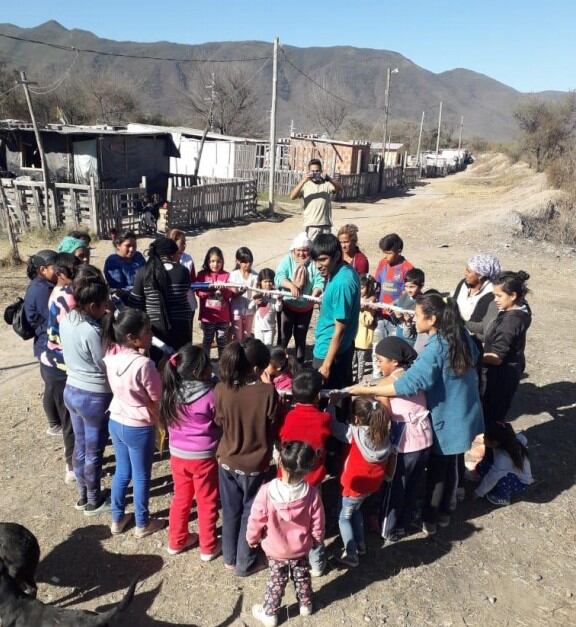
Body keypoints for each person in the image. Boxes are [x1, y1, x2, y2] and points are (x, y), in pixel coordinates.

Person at [349, 294, 484, 536]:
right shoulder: (459, 334)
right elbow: (475, 356)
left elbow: (406, 385)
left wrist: (364, 389)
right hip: (464, 409)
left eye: (418, 315)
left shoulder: (436, 348)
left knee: (437, 471)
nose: (414, 318)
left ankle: (431, 517)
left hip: (447, 417)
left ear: (432, 319)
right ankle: (446, 509)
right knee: (450, 464)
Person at [215, 340, 279, 577]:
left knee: (230, 510)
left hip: (226, 460)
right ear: (256, 369)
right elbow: (273, 425)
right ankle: (245, 562)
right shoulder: (268, 392)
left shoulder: (221, 388)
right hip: (254, 464)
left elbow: (219, 421)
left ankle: (229, 557)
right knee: (250, 513)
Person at [102, 309, 165, 538]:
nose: (150, 335)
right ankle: (142, 522)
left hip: (116, 418)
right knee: (141, 475)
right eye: (147, 331)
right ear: (131, 337)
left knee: (122, 470)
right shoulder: (143, 364)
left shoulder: (110, 355)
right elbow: (156, 396)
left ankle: (117, 519)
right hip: (138, 424)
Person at [248, 441, 325, 626]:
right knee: (302, 576)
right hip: (301, 548)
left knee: (277, 580)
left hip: (276, 550)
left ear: (280, 463)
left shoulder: (267, 491)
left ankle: (270, 613)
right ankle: (305, 605)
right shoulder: (312, 494)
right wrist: (316, 541)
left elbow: (256, 519)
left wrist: (252, 538)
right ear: (307, 471)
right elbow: (318, 522)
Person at [60, 267, 112, 516]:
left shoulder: (68, 319)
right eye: (103, 306)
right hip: (93, 396)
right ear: (92, 305)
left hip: (71, 389)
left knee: (80, 446)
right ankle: (94, 499)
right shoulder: (91, 331)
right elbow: (103, 364)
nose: (105, 309)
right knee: (94, 451)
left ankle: (82, 493)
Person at [161, 344, 220, 560]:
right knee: (207, 500)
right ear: (198, 372)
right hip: (204, 457)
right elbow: (219, 421)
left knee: (181, 498)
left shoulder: (171, 391)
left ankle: (176, 541)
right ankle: (208, 546)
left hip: (177, 455)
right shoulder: (210, 396)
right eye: (208, 366)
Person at [372, 338, 432, 542]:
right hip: (425, 438)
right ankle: (404, 524)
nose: (377, 364)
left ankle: (387, 528)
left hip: (406, 442)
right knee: (413, 484)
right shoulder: (414, 376)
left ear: (395, 361)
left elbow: (385, 416)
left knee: (395, 486)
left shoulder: (385, 385)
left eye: (380, 360)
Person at [278, 369, 331, 577]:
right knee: (314, 521)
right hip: (313, 478)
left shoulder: (289, 416)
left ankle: (289, 559)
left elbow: (281, 435)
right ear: (318, 396)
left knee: (289, 520)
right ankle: (316, 562)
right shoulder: (323, 418)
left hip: (289, 476)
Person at [330, 397, 391, 567]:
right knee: (356, 511)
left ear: (356, 418)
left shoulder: (354, 433)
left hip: (355, 484)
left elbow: (333, 426)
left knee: (343, 517)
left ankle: (351, 554)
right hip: (373, 483)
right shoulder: (383, 434)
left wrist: (331, 406)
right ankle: (360, 545)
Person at [41, 253, 81, 482]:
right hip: (60, 365)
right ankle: (71, 465)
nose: (76, 275)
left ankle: (75, 459)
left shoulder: (60, 293)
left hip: (56, 361)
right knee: (69, 420)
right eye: (73, 272)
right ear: (60, 274)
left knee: (71, 418)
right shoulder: (66, 298)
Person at [310, 234, 360, 389]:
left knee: (325, 401)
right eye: (316, 260)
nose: (318, 265)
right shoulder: (345, 271)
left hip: (329, 352)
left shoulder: (341, 284)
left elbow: (340, 330)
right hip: (341, 349)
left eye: (323, 259)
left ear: (337, 255)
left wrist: (326, 365)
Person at [482, 271, 532, 424]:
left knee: (491, 419)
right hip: (512, 367)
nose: (495, 300)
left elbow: (497, 358)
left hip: (500, 375)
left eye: (499, 296)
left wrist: (472, 356)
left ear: (513, 295)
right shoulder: (522, 307)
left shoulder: (510, 322)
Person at [129, 237, 193, 352]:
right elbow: (189, 300)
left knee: (157, 366)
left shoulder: (144, 272)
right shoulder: (183, 271)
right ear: (172, 254)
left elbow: (135, 304)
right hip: (181, 327)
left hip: (154, 329)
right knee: (181, 364)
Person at [23, 250, 60, 435]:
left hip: (47, 340)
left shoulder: (44, 284)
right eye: (56, 268)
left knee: (52, 383)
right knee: (52, 384)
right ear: (43, 269)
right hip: (45, 343)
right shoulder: (40, 290)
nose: (60, 271)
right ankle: (54, 423)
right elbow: (51, 316)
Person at [275, 233, 324, 363]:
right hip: (288, 305)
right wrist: (291, 286)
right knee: (284, 336)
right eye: (299, 250)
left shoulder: (314, 264)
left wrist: (315, 293)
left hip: (305, 308)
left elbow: (320, 281)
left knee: (301, 337)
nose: (301, 254)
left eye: (305, 250)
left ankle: (299, 363)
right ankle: (279, 362)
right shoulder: (287, 260)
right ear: (294, 250)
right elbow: (279, 277)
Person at [472, 422, 533, 506]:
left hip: (520, 482)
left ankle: (503, 497)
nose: (483, 437)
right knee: (482, 466)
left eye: (485, 437)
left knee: (500, 478)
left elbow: (492, 478)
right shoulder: (513, 441)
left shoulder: (503, 459)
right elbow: (523, 438)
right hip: (509, 471)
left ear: (495, 442)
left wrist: (478, 493)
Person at [372, 233, 414, 340]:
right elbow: (377, 284)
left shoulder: (407, 268)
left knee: (393, 347)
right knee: (378, 346)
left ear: (399, 251)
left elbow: (409, 293)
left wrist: (395, 304)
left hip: (397, 317)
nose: (385, 256)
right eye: (384, 253)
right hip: (381, 315)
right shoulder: (382, 263)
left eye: (389, 253)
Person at [290, 158, 343, 241]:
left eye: (317, 171)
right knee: (312, 251)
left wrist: (329, 178)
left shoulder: (326, 184)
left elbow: (339, 188)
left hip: (326, 225)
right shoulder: (305, 185)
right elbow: (292, 196)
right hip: (311, 226)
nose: (315, 173)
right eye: (313, 171)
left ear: (321, 171)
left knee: (325, 251)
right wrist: (303, 180)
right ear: (308, 171)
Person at [453, 253, 501, 342]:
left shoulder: (490, 295)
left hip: (469, 338)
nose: (465, 273)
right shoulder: (463, 283)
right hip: (454, 328)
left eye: (469, 271)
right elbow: (452, 304)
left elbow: (475, 322)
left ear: (481, 275)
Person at [196, 247, 234, 359]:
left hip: (223, 317)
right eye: (212, 261)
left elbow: (229, 295)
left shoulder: (226, 275)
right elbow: (199, 293)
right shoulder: (202, 275)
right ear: (207, 262)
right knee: (207, 341)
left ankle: (222, 365)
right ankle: (205, 364)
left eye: (218, 261)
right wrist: (210, 289)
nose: (215, 264)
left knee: (222, 342)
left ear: (222, 262)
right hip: (208, 317)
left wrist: (223, 289)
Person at [167, 228, 197, 330]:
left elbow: (193, 280)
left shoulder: (188, 259)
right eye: (182, 243)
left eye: (185, 243)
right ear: (173, 242)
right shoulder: (165, 259)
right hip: (172, 302)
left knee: (188, 330)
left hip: (188, 301)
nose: (185, 245)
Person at [103, 230, 146, 300]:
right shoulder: (112, 262)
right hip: (126, 301)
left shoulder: (138, 256)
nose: (132, 249)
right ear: (118, 246)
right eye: (128, 246)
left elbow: (147, 275)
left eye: (134, 246)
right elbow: (119, 289)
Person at [390, 268, 425, 346]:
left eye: (412, 287)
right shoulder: (404, 295)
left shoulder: (422, 302)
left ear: (421, 286)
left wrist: (405, 320)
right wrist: (393, 311)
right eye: (406, 286)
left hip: (411, 341)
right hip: (399, 336)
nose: (408, 290)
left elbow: (412, 330)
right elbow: (397, 321)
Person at [230, 247, 258, 341]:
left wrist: (256, 299)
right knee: (237, 336)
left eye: (250, 261)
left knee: (247, 336)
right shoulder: (233, 275)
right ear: (238, 261)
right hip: (236, 310)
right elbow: (233, 293)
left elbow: (255, 292)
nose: (248, 264)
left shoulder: (255, 276)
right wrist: (240, 292)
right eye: (245, 262)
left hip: (249, 311)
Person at [250, 268, 283, 347]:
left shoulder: (275, 294)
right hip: (258, 328)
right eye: (265, 281)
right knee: (259, 348)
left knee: (268, 348)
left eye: (270, 281)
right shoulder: (257, 293)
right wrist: (255, 302)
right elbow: (250, 308)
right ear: (260, 282)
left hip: (270, 328)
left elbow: (278, 309)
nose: (268, 284)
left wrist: (279, 301)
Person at [354, 274, 376, 382]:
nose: (360, 290)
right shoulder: (355, 299)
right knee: (352, 359)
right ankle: (350, 376)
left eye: (362, 288)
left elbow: (369, 321)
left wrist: (362, 312)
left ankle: (359, 379)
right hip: (353, 336)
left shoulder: (370, 304)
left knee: (361, 360)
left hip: (363, 338)